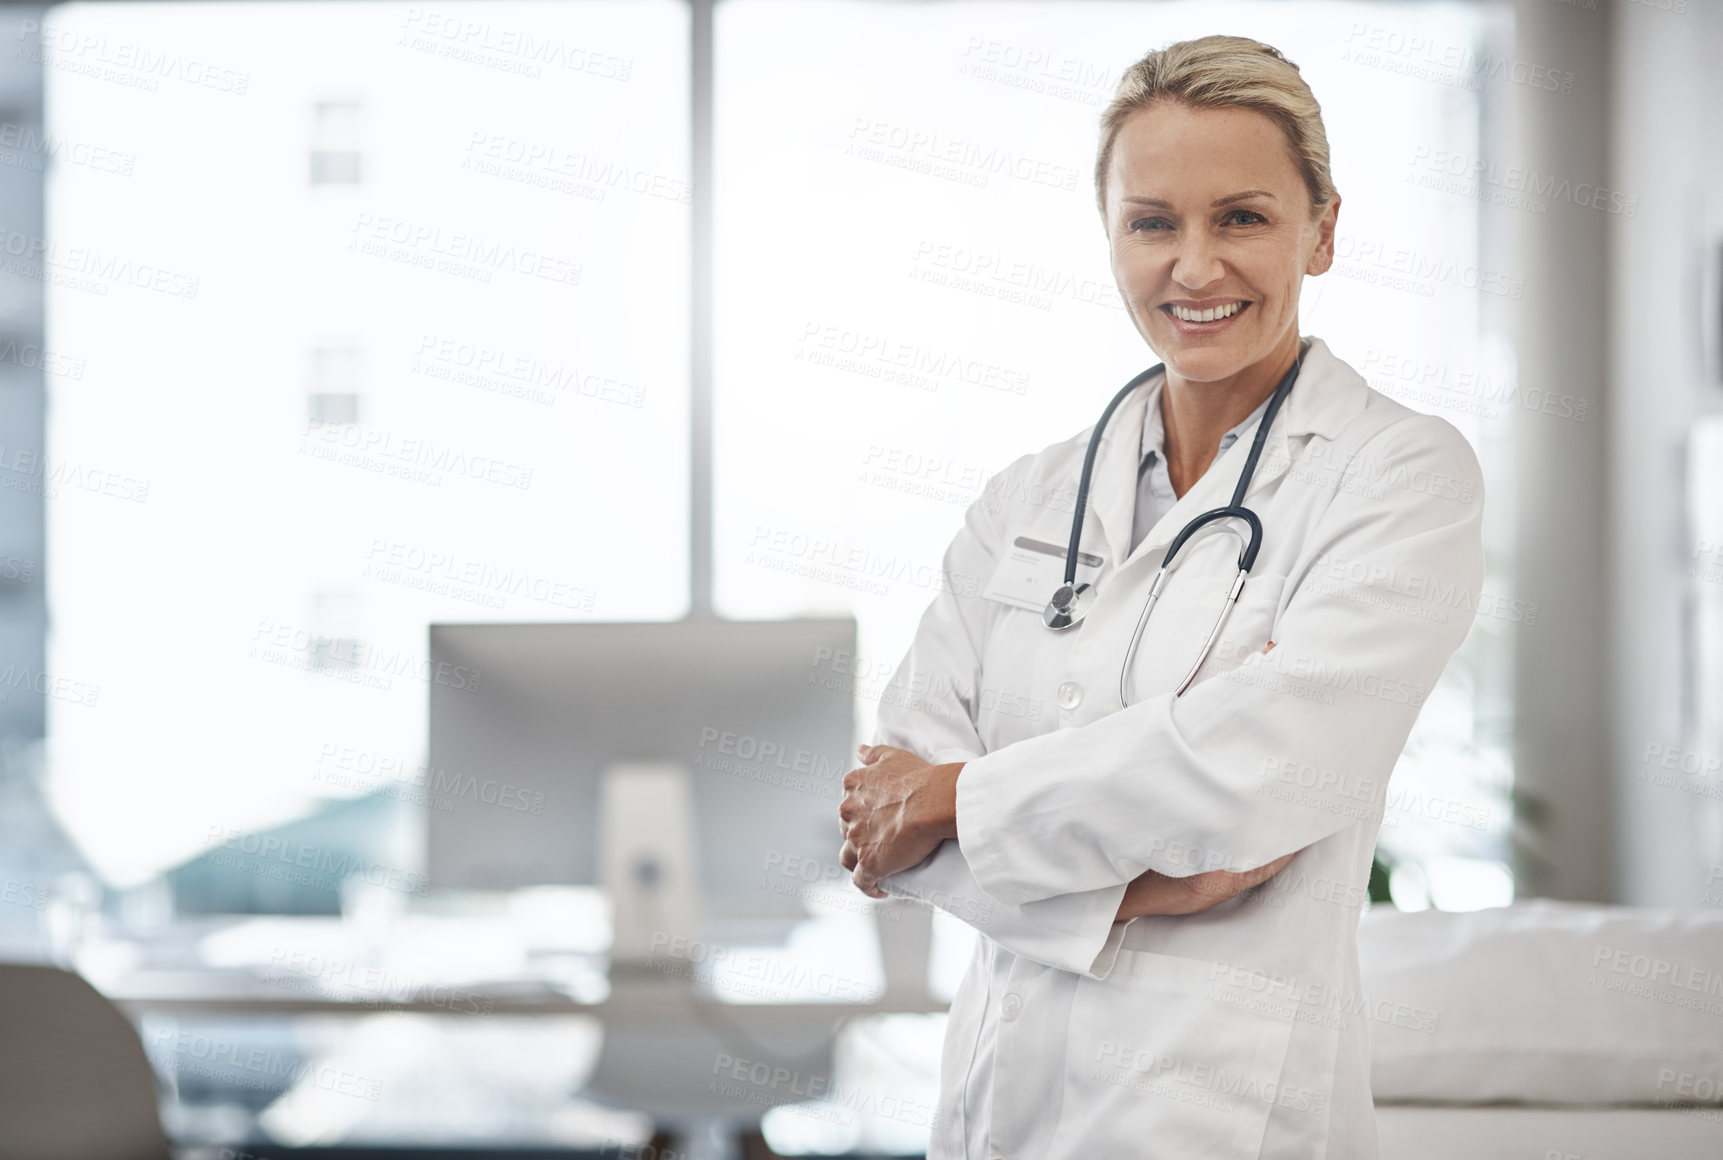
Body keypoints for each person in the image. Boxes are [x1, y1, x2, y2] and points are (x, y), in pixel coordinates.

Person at [836, 33, 1484, 1160]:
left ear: (1320, 230)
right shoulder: (1023, 499)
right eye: (1152, 222)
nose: (1194, 266)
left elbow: (1261, 766)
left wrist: (959, 800)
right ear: (1110, 240)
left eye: (1242, 216)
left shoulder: (1399, 473)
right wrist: (1141, 884)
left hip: (1220, 1112)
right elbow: (898, 824)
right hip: (999, 1107)